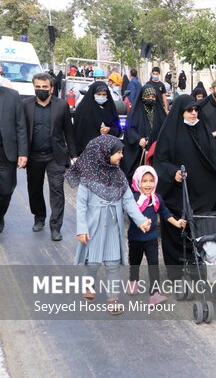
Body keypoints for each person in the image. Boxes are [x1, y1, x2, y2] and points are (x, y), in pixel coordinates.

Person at [67, 135, 151, 315]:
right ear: (104, 154)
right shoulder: (88, 178)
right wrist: (81, 228)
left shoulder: (119, 176)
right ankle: (89, 284)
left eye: (121, 152)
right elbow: (81, 206)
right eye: (118, 152)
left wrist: (141, 220)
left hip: (114, 226)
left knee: (113, 264)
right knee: (93, 262)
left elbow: (129, 201)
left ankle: (113, 298)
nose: (121, 156)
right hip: (94, 227)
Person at [154, 95, 216, 280]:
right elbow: (161, 162)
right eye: (189, 110)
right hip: (180, 191)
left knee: (206, 226)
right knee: (178, 229)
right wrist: (174, 173)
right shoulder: (170, 132)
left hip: (202, 191)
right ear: (181, 112)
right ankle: (177, 270)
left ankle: (204, 264)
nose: (194, 113)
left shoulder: (202, 128)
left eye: (196, 110)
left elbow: (214, 153)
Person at [24, 73, 77, 241]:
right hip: (33, 156)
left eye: (44, 87)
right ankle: (39, 217)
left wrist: (74, 155)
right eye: (38, 87)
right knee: (34, 188)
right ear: (34, 87)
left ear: (52, 88)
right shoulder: (25, 105)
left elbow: (69, 131)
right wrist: (21, 153)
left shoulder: (61, 106)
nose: (41, 90)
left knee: (57, 190)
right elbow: (21, 131)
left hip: (55, 156)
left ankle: (55, 226)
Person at [127, 165, 186, 305]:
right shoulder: (133, 198)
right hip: (135, 238)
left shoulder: (156, 198)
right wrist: (142, 222)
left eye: (151, 181)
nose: (148, 184)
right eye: (144, 181)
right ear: (137, 182)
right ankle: (133, 281)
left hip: (152, 238)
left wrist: (177, 223)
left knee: (153, 264)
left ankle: (154, 294)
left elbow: (165, 213)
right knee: (134, 262)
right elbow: (131, 215)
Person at [122, 85, 166, 181]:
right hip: (139, 152)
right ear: (142, 97)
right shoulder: (135, 112)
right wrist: (138, 139)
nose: (150, 99)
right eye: (147, 96)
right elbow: (130, 129)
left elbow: (165, 130)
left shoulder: (159, 112)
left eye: (153, 97)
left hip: (156, 152)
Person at [0, 83, 28, 233]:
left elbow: (20, 126)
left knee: (6, 190)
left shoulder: (12, 95)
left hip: (6, 151)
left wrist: (23, 152)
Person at [74, 81, 121, 155]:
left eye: (104, 94)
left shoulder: (110, 108)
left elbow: (118, 130)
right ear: (92, 94)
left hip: (107, 152)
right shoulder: (83, 109)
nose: (101, 96)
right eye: (98, 94)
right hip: (87, 152)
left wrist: (109, 130)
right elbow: (78, 133)